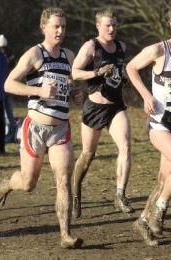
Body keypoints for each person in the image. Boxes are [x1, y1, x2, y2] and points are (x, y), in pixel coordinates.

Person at [0, 8, 83, 249]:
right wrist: (39, 90)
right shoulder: (34, 54)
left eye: (63, 26)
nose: (61, 31)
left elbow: (70, 83)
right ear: (44, 27)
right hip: (35, 128)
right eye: (56, 26)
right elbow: (9, 84)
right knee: (28, 183)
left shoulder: (69, 55)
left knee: (64, 180)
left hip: (60, 129)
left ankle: (65, 235)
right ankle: (10, 183)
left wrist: (75, 93)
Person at [71, 7, 134, 219]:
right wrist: (97, 72)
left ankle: (120, 195)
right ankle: (76, 193)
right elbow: (75, 72)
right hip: (94, 108)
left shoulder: (121, 46)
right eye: (108, 25)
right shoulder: (91, 46)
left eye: (114, 25)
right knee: (88, 154)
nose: (112, 29)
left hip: (116, 106)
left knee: (125, 146)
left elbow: (121, 68)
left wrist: (124, 79)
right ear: (98, 26)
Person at [126, 34, 171, 246]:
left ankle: (143, 220)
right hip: (159, 124)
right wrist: (146, 95)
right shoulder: (158, 50)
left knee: (164, 178)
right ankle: (159, 210)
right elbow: (131, 67)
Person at [0, 34, 16, 143]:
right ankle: (10, 135)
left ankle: (8, 135)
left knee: (5, 114)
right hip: (9, 88)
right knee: (9, 113)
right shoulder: (10, 56)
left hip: (1, 89)